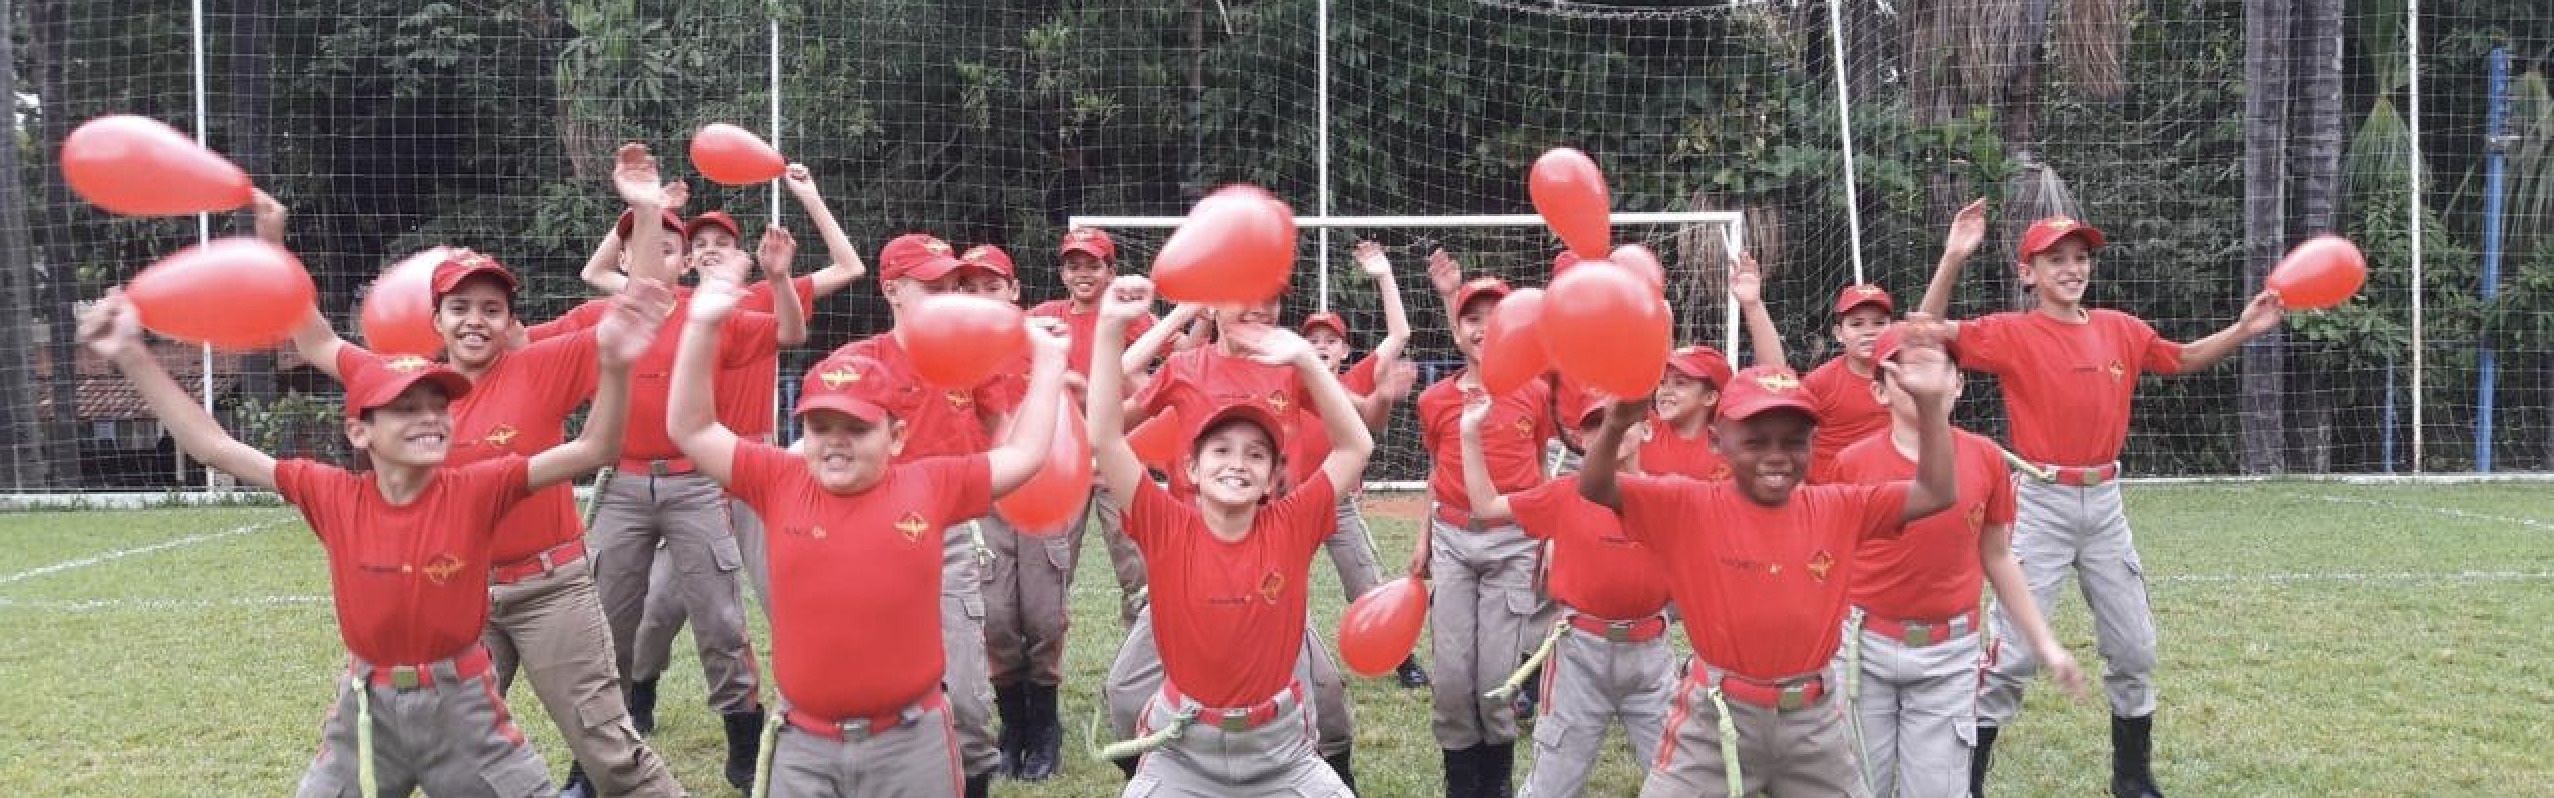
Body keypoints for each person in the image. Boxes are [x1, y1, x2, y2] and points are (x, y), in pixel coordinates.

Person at [84, 258, 666, 797]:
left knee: (606, 748)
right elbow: (213, 444)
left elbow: (597, 446)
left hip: (472, 693)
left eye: (437, 408)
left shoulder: (478, 486)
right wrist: (134, 354)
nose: (431, 419)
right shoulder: (332, 493)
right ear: (361, 433)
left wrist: (615, 361)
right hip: (369, 709)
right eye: (406, 409)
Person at [1917, 212, 2285, 798]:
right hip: (2038, 504)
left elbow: (2182, 359)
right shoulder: (2010, 332)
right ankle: (1966, 784)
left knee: (2134, 648)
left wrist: (2243, 329)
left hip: (2106, 505)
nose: (2071, 268)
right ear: (2028, 272)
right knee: (2012, 658)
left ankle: (2132, 780)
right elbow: (1923, 332)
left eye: (2080, 257)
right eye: (2055, 259)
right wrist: (1955, 255)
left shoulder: (2121, 329)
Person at [663, 268, 1069, 798]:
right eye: (819, 427)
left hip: (912, 742)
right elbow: (691, 428)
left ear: (896, 436)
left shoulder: (932, 484)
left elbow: (1024, 454)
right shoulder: (778, 479)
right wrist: (700, 327)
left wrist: (1051, 362)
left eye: (857, 428)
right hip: (804, 746)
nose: (836, 443)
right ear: (799, 429)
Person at [542, 143, 806, 794]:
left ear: (685, 261)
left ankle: (744, 753)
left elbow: (790, 334)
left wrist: (775, 280)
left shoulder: (712, 315)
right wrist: (641, 206)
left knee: (720, 620)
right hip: (624, 485)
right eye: (639, 244)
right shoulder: (596, 318)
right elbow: (524, 359)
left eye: (668, 245)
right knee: (608, 622)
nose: (654, 254)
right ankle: (592, 760)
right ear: (622, 258)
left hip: (695, 484)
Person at [1579, 351, 1960, 798]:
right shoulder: (1688, 506)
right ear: (1718, 441)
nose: (1776, 456)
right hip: (1714, 719)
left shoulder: (1841, 507)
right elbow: (1596, 485)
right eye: (1756, 442)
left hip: (1813, 722)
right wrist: (1617, 423)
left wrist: (1932, 409)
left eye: (1794, 441)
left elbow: (1935, 492)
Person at [1086, 275, 1371, 798]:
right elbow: (1105, 434)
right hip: (1183, 751)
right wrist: (1109, 328)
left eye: (1256, 453)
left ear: (1274, 474)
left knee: (1325, 692)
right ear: (1190, 467)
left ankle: (1338, 764)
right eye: (1221, 450)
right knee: (1126, 688)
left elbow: (1356, 443)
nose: (1237, 463)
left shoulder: (1290, 523)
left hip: (1281, 751)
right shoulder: (1167, 523)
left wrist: (1307, 360)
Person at [614, 163, 866, 739]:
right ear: (677, 258)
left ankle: (815, 698)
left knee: (784, 593)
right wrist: (643, 209)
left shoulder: (757, 300)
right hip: (692, 475)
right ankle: (641, 688)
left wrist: (809, 195)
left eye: (719, 242)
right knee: (658, 608)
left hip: (753, 467)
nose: (707, 250)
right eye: (695, 243)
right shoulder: (661, 308)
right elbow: (604, 271)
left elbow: (848, 268)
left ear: (739, 252)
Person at [1831, 323, 2086, 798]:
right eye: (1908, 368)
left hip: (1949, 656)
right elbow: (1829, 564)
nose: (1924, 379)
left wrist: (2046, 645)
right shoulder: (1851, 464)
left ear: (1958, 384)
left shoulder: (1988, 460)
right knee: (1857, 786)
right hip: (1862, 652)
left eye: (1938, 367)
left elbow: (1999, 558)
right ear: (1880, 390)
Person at [821, 232, 1022, 794]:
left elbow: (999, 430)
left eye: (954, 284)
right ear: (891, 290)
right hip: (871, 544)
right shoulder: (858, 363)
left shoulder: (972, 359)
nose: (950, 293)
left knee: (964, 691)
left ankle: (973, 778)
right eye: (933, 285)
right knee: (867, 687)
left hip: (950, 537)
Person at [1460, 391, 1673, 798]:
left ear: (1647, 429)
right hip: (1580, 655)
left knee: (1679, 778)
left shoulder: (1670, 496)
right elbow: (1486, 507)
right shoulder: (1565, 494)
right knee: (1553, 782)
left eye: (1621, 419)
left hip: (1650, 658)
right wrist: (1470, 433)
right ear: (1583, 439)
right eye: (1596, 424)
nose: (1609, 430)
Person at [1413, 251, 1561, 797]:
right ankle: (1461, 783)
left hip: (1514, 543)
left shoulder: (1535, 392)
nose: (1484, 328)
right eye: (1472, 317)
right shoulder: (1434, 401)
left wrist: (1547, 539)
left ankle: (1496, 783)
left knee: (1495, 679)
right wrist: (1425, 539)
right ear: (1457, 328)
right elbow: (1436, 473)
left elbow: (1543, 467)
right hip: (1453, 543)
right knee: (1452, 677)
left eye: (1496, 317)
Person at [1295, 240, 1429, 689]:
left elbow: (1399, 335)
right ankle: (1284, 658)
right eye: (1312, 341)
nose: (1320, 346)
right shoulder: (1289, 382)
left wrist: (1384, 274)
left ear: (1345, 352)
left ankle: (1402, 658)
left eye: (1330, 341)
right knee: (1279, 585)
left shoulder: (1356, 378)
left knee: (1366, 585)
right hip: (1293, 505)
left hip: (1341, 506)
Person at [1024, 227, 1154, 623]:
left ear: (1110, 272)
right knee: (1055, 556)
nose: (1083, 274)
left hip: (1118, 454)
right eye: (1073, 266)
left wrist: (1198, 316)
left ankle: (1145, 639)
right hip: (1063, 459)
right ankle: (1047, 640)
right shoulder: (1045, 317)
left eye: (1092, 266)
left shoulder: (1128, 318)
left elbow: (1179, 349)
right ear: (1062, 274)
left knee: (1134, 554)